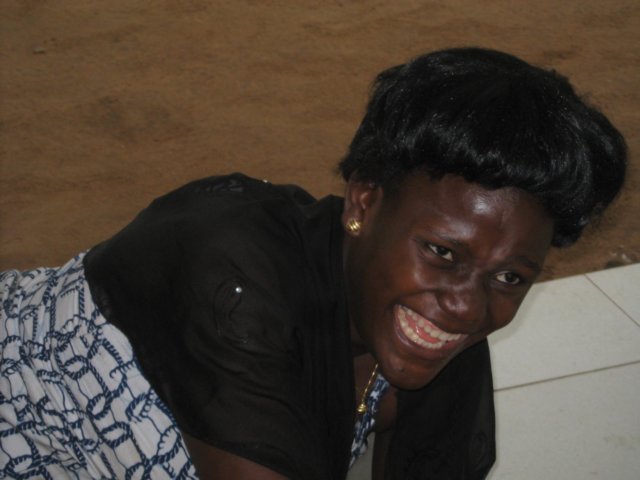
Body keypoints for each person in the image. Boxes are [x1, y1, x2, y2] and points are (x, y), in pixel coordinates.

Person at [0, 48, 626, 480]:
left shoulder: (440, 312)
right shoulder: (230, 280)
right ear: (364, 201)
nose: (466, 306)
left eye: (510, 276)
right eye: (442, 251)